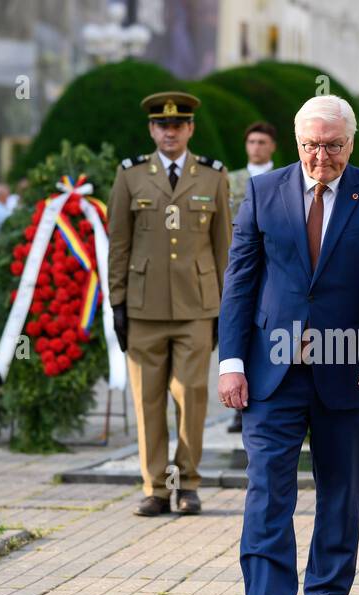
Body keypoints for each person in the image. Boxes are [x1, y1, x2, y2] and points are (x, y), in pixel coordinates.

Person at [216, 95, 359, 595]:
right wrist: (231, 361)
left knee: (340, 491)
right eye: (310, 145)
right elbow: (240, 282)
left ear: (350, 143)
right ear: (296, 142)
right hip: (269, 372)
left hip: (346, 370)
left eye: (331, 145)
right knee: (268, 489)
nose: (319, 156)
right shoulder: (262, 191)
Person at [107, 91, 232, 517]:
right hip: (143, 308)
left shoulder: (213, 177)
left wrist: (225, 308)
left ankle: (188, 483)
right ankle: (156, 487)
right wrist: (117, 303)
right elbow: (118, 245)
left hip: (197, 307)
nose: (170, 132)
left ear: (190, 129)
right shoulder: (130, 176)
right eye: (163, 125)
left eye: (178, 125)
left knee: (192, 394)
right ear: (152, 129)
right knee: (148, 399)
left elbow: (224, 250)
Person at [223, 121, 278, 434]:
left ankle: (257, 395)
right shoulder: (231, 181)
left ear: (272, 146)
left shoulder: (285, 179)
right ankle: (235, 403)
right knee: (237, 329)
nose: (256, 147)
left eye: (262, 142)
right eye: (251, 142)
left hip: (270, 272)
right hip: (239, 266)